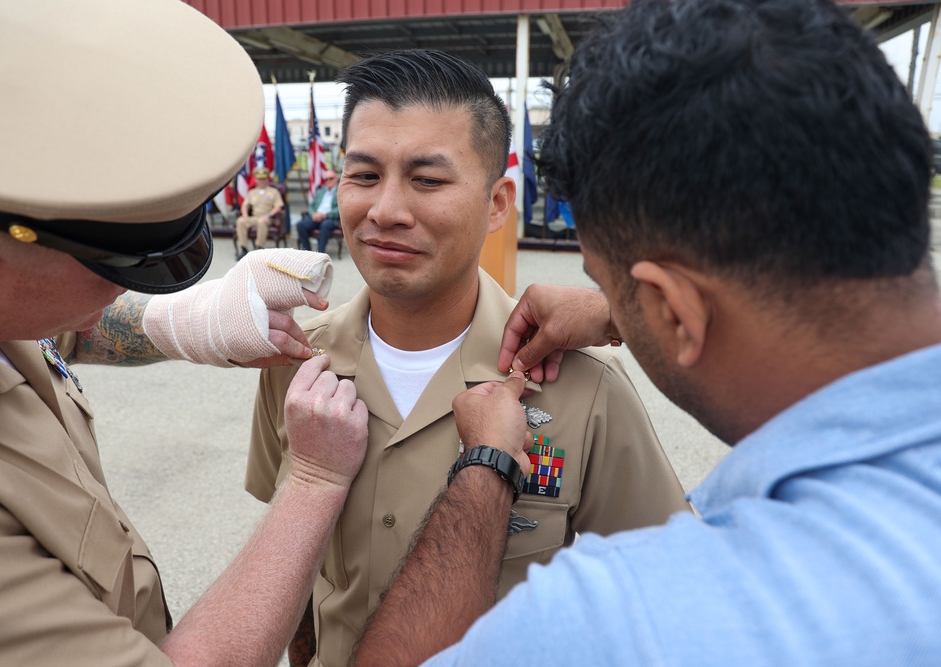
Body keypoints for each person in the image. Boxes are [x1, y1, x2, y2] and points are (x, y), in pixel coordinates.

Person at [351, 0, 941, 665]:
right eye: (363, 173)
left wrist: (486, 467)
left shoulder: (626, 618)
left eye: (607, 285)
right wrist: (619, 310)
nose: (389, 208)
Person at [0, 1, 368, 665]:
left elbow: (46, 327)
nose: (120, 297)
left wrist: (190, 321)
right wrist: (313, 481)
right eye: (111, 277)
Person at [245, 49, 690, 667]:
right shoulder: (297, 362)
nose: (386, 211)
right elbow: (294, 576)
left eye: (428, 180)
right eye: (364, 175)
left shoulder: (580, 388)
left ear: (499, 203)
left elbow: (671, 592)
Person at [236, 167, 286, 259]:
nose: (261, 181)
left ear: (267, 179)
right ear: (256, 179)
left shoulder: (273, 192)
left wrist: (268, 215)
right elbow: (245, 205)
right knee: (240, 221)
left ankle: (259, 248)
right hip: (255, 216)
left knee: (261, 221)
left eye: (263, 179)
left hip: (268, 217)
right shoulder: (252, 192)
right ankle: (243, 249)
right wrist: (245, 215)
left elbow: (278, 206)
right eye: (259, 179)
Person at [296, 170, 340, 254]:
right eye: (326, 179)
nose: (328, 181)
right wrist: (313, 214)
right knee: (300, 225)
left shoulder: (340, 191)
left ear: (336, 179)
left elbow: (340, 209)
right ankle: (307, 252)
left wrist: (325, 215)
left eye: (331, 178)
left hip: (329, 218)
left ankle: (320, 253)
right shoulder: (320, 191)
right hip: (316, 216)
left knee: (325, 225)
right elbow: (311, 206)